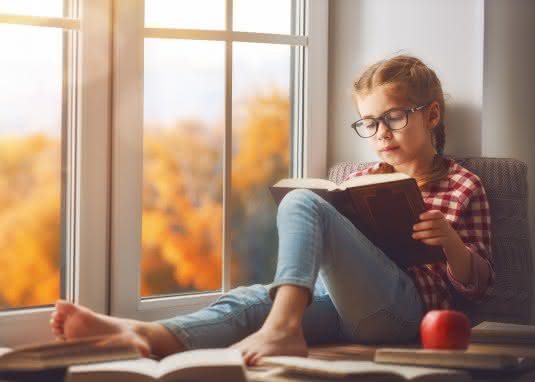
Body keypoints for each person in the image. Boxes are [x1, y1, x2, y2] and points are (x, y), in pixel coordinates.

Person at [50, 55, 495, 366]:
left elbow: (479, 287)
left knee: (303, 201)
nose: (381, 133)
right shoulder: (359, 179)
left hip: (405, 312)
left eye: (394, 117)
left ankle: (283, 329)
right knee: (247, 302)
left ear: (432, 115)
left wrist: (452, 245)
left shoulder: (460, 185)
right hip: (341, 306)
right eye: (369, 123)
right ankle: (142, 335)